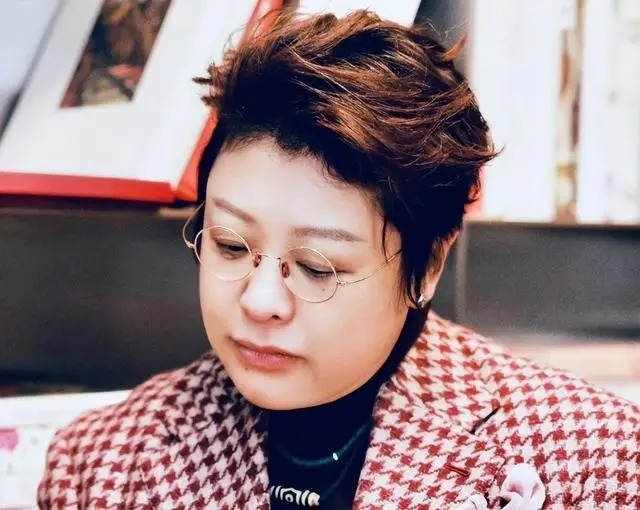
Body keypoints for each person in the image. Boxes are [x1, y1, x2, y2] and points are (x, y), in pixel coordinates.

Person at [38, 9, 639, 510]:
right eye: (230, 244)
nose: (260, 301)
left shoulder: (589, 458)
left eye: (318, 266)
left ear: (429, 263)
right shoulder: (101, 462)